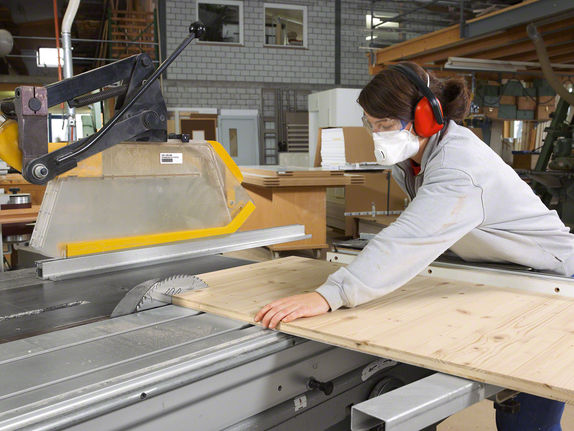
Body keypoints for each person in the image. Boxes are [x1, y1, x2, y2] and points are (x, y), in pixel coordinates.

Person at [254, 62, 574, 431]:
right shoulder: (412, 162)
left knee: (525, 417)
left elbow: (410, 238)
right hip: (502, 275)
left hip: (552, 283)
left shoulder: (461, 165)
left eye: (386, 125)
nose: (377, 135)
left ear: (426, 117)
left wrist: (330, 294)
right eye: (371, 125)